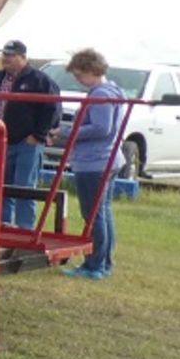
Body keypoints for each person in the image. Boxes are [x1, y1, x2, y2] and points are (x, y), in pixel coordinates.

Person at [0, 39, 59, 227]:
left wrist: (38, 136)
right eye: (4, 54)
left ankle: (24, 232)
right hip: (1, 140)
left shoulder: (39, 80)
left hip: (27, 142)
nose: (5, 59)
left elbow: (52, 109)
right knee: (0, 187)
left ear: (23, 57)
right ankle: (2, 228)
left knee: (24, 188)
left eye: (10, 55)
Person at [63, 48, 126, 280]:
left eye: (80, 76)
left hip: (95, 162)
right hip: (108, 159)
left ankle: (95, 264)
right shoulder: (113, 90)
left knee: (93, 214)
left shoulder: (100, 94)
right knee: (102, 212)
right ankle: (103, 262)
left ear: (92, 70)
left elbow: (102, 127)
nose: (79, 81)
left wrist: (68, 132)